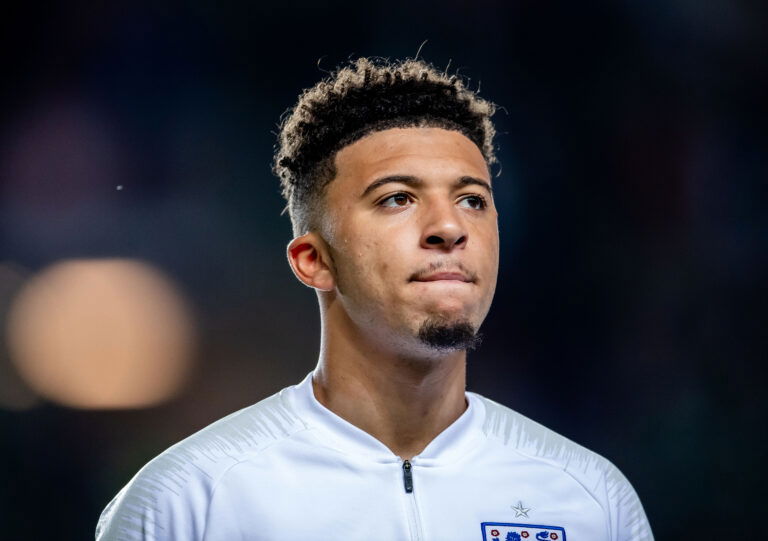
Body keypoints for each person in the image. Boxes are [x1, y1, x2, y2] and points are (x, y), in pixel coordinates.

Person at [96, 57, 653, 541]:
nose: (449, 227)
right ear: (313, 261)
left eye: (473, 200)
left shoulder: (589, 500)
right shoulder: (187, 503)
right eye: (397, 198)